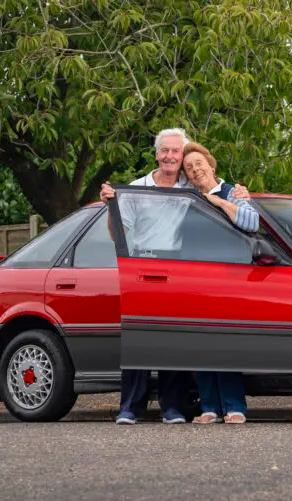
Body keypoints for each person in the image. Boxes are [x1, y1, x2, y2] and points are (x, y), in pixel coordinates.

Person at [99, 129, 249, 425]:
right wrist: (111, 207)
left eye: (175, 152)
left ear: (182, 157)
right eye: (164, 150)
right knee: (140, 339)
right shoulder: (136, 188)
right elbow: (118, 233)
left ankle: (172, 408)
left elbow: (215, 185)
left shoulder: (189, 186)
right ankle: (130, 408)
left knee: (174, 339)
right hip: (142, 268)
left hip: (179, 271)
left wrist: (238, 194)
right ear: (156, 154)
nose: (170, 156)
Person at [181, 141, 258, 424]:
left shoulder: (232, 193)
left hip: (227, 279)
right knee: (201, 345)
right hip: (195, 280)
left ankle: (235, 407)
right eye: (189, 168)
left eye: (199, 164)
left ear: (211, 165)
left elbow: (252, 222)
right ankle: (210, 409)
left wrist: (220, 203)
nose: (195, 170)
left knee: (224, 343)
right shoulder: (187, 197)